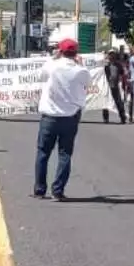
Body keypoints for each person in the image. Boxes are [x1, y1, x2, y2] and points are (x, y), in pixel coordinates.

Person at [33, 38, 91, 200]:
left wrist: (53, 58)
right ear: (76, 53)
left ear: (60, 51)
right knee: (65, 154)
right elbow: (88, 82)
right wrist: (80, 64)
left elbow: (39, 75)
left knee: (43, 153)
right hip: (70, 117)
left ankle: (40, 189)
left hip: (50, 117)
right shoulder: (81, 71)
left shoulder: (52, 66)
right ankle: (58, 190)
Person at [102, 49, 128, 124]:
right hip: (106, 86)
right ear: (108, 55)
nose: (112, 55)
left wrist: (125, 82)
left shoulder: (118, 65)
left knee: (119, 102)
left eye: (113, 54)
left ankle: (123, 118)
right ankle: (105, 118)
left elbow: (123, 74)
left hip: (115, 86)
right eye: (110, 54)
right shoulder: (105, 64)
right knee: (105, 102)